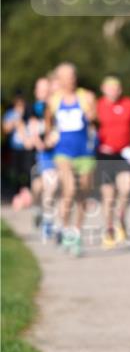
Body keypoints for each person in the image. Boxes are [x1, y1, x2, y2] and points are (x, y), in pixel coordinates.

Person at [45, 63, 97, 256]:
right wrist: (50, 135)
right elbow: (48, 122)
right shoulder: (54, 100)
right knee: (70, 189)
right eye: (66, 76)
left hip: (85, 152)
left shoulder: (87, 97)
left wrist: (93, 117)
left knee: (83, 195)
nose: (71, 79)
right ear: (59, 79)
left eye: (73, 75)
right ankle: (65, 228)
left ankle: (76, 233)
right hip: (63, 152)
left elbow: (96, 122)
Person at [96, 76, 130, 249]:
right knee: (108, 197)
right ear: (103, 89)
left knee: (127, 187)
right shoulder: (97, 106)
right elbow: (90, 127)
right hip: (105, 154)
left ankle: (121, 215)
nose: (114, 91)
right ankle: (109, 230)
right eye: (110, 88)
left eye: (116, 87)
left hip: (125, 152)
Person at [26, 76, 59, 236]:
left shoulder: (57, 105)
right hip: (41, 152)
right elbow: (32, 130)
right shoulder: (34, 108)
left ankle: (49, 219)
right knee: (38, 188)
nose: (45, 92)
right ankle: (38, 210)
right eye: (41, 89)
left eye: (47, 89)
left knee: (51, 186)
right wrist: (41, 144)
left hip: (57, 152)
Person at [2, 91, 33, 203]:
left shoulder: (28, 113)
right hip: (15, 148)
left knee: (27, 171)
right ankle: (16, 193)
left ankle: (26, 191)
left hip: (26, 148)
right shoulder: (10, 114)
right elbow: (5, 128)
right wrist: (14, 121)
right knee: (15, 172)